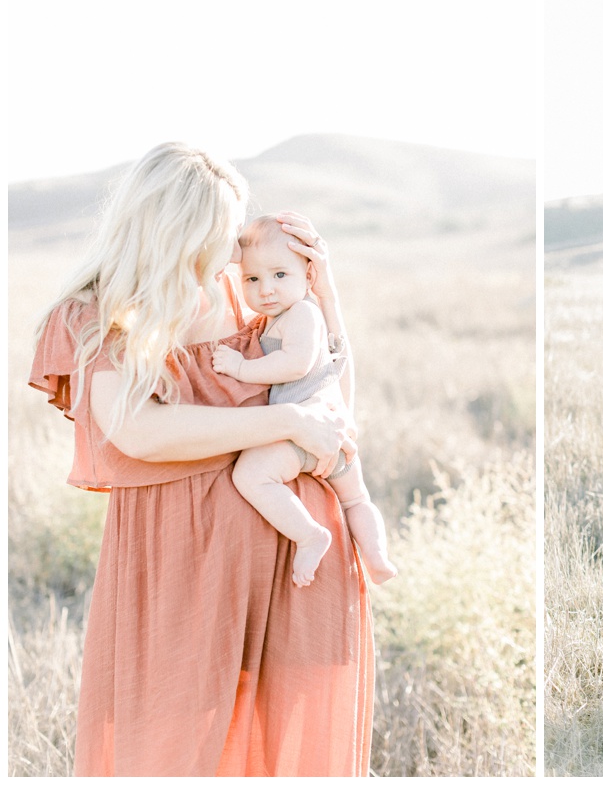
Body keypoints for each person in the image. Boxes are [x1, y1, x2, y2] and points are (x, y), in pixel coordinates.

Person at [29, 142, 375, 775]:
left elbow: (332, 409)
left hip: (296, 549)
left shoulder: (248, 294)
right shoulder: (94, 315)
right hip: (178, 565)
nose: (235, 251)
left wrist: (325, 301)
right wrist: (284, 419)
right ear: (174, 228)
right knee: (169, 747)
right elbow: (141, 434)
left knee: (285, 750)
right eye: (223, 233)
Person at [212, 214, 397, 587]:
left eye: (280, 275)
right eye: (253, 279)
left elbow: (295, 365)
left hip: (306, 430)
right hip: (331, 432)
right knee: (356, 500)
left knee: (251, 475)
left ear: (308, 277)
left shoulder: (302, 313)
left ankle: (311, 535)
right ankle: (376, 558)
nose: (266, 289)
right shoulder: (278, 317)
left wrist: (240, 368)